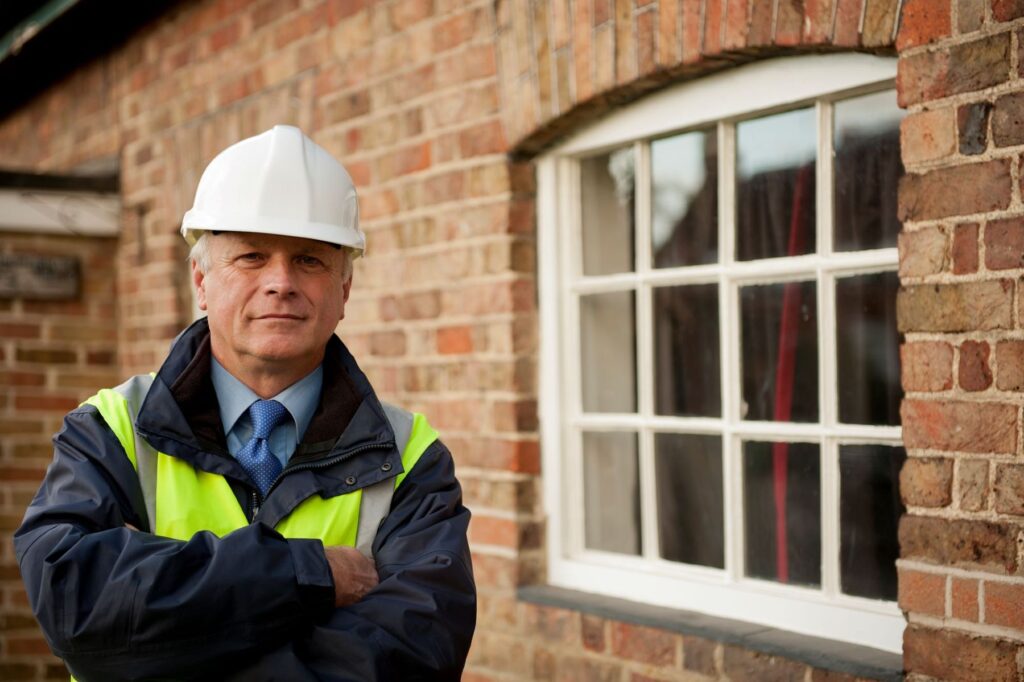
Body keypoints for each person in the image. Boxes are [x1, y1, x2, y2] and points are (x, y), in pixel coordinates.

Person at [14, 125, 476, 681]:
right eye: (252, 256)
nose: (280, 282)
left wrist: (173, 628)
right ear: (201, 281)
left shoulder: (411, 457)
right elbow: (78, 609)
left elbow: (413, 655)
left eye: (309, 260)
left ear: (344, 291)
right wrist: (307, 576)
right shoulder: (110, 429)